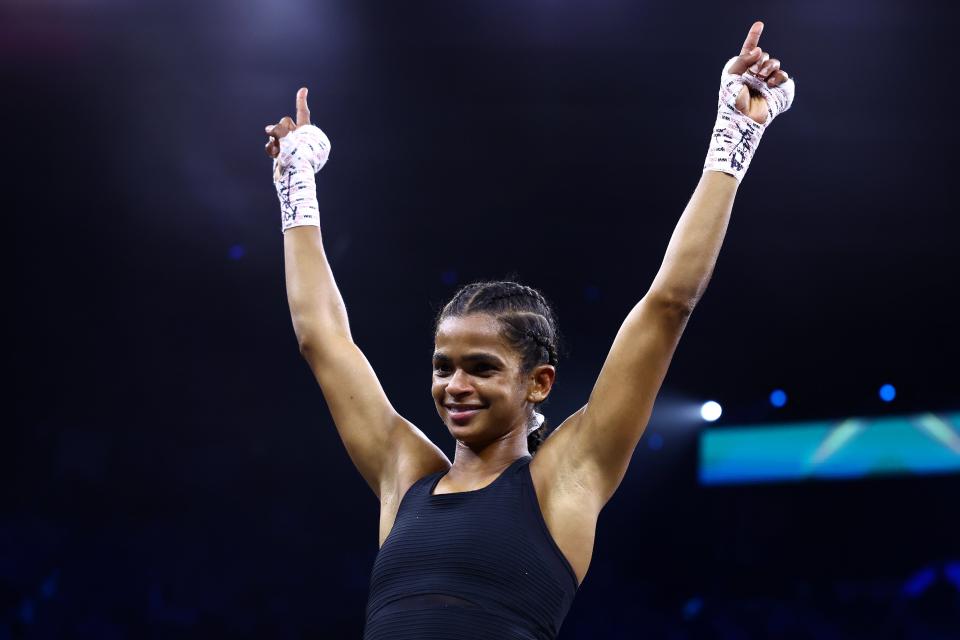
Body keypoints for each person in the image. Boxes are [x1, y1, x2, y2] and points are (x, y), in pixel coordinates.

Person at [263, 20, 794, 640]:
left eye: (481, 367)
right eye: (443, 366)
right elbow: (321, 339)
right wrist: (295, 185)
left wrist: (736, 135)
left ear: (538, 383)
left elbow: (667, 304)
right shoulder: (403, 475)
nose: (454, 384)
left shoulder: (567, 476)